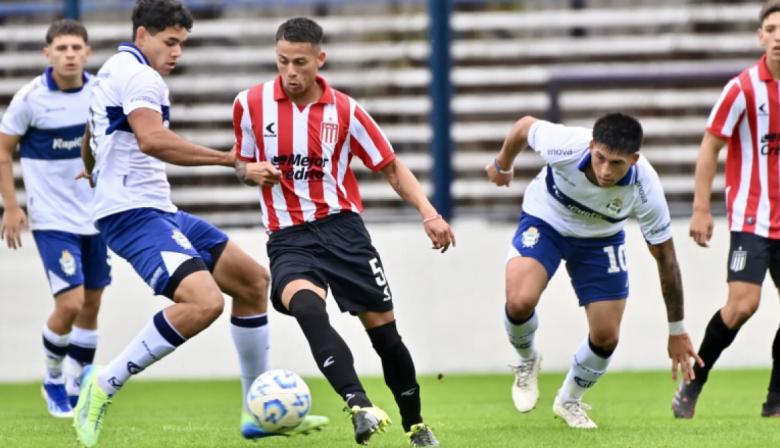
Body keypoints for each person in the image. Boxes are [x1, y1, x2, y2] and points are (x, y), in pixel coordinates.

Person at [70, 2, 327, 447]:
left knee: (251, 281)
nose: (177, 53)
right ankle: (104, 382)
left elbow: (92, 134)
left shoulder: (110, 70)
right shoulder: (142, 77)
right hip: (133, 214)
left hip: (155, 209)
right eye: (170, 42)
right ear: (142, 35)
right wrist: (231, 160)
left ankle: (257, 414)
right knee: (204, 302)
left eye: (182, 44)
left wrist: (92, 169)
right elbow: (152, 140)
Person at [232, 17, 454, 447]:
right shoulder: (249, 103)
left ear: (320, 59)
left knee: (386, 338)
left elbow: (390, 166)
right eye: (282, 61)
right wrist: (248, 171)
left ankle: (415, 425)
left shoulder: (347, 111)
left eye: (300, 62)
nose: (290, 72)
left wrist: (429, 213)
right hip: (288, 237)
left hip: (344, 232)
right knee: (307, 309)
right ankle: (358, 404)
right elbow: (241, 162)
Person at [486, 113, 701, 429]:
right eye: (600, 158)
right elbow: (523, 126)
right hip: (546, 220)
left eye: (617, 163)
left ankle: (569, 400)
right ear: (591, 146)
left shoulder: (646, 186)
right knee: (519, 302)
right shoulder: (565, 145)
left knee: (606, 337)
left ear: (634, 159)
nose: (605, 171)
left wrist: (677, 329)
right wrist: (503, 164)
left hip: (601, 238)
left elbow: (666, 258)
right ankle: (527, 359)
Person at [672, 0, 780, 419]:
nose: (779, 37)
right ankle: (694, 382)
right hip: (752, 217)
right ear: (760, 36)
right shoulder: (742, 88)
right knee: (742, 305)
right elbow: (710, 146)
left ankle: (775, 400)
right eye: (771, 29)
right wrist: (701, 208)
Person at [0, 19, 110, 418]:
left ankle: (78, 383)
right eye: (61, 48)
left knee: (91, 304)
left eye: (76, 48)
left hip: (96, 217)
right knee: (71, 303)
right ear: (47, 54)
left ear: (87, 52)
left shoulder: (100, 92)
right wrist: (12, 206)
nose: (69, 55)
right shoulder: (30, 99)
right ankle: (52, 379)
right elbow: (3, 150)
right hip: (53, 220)